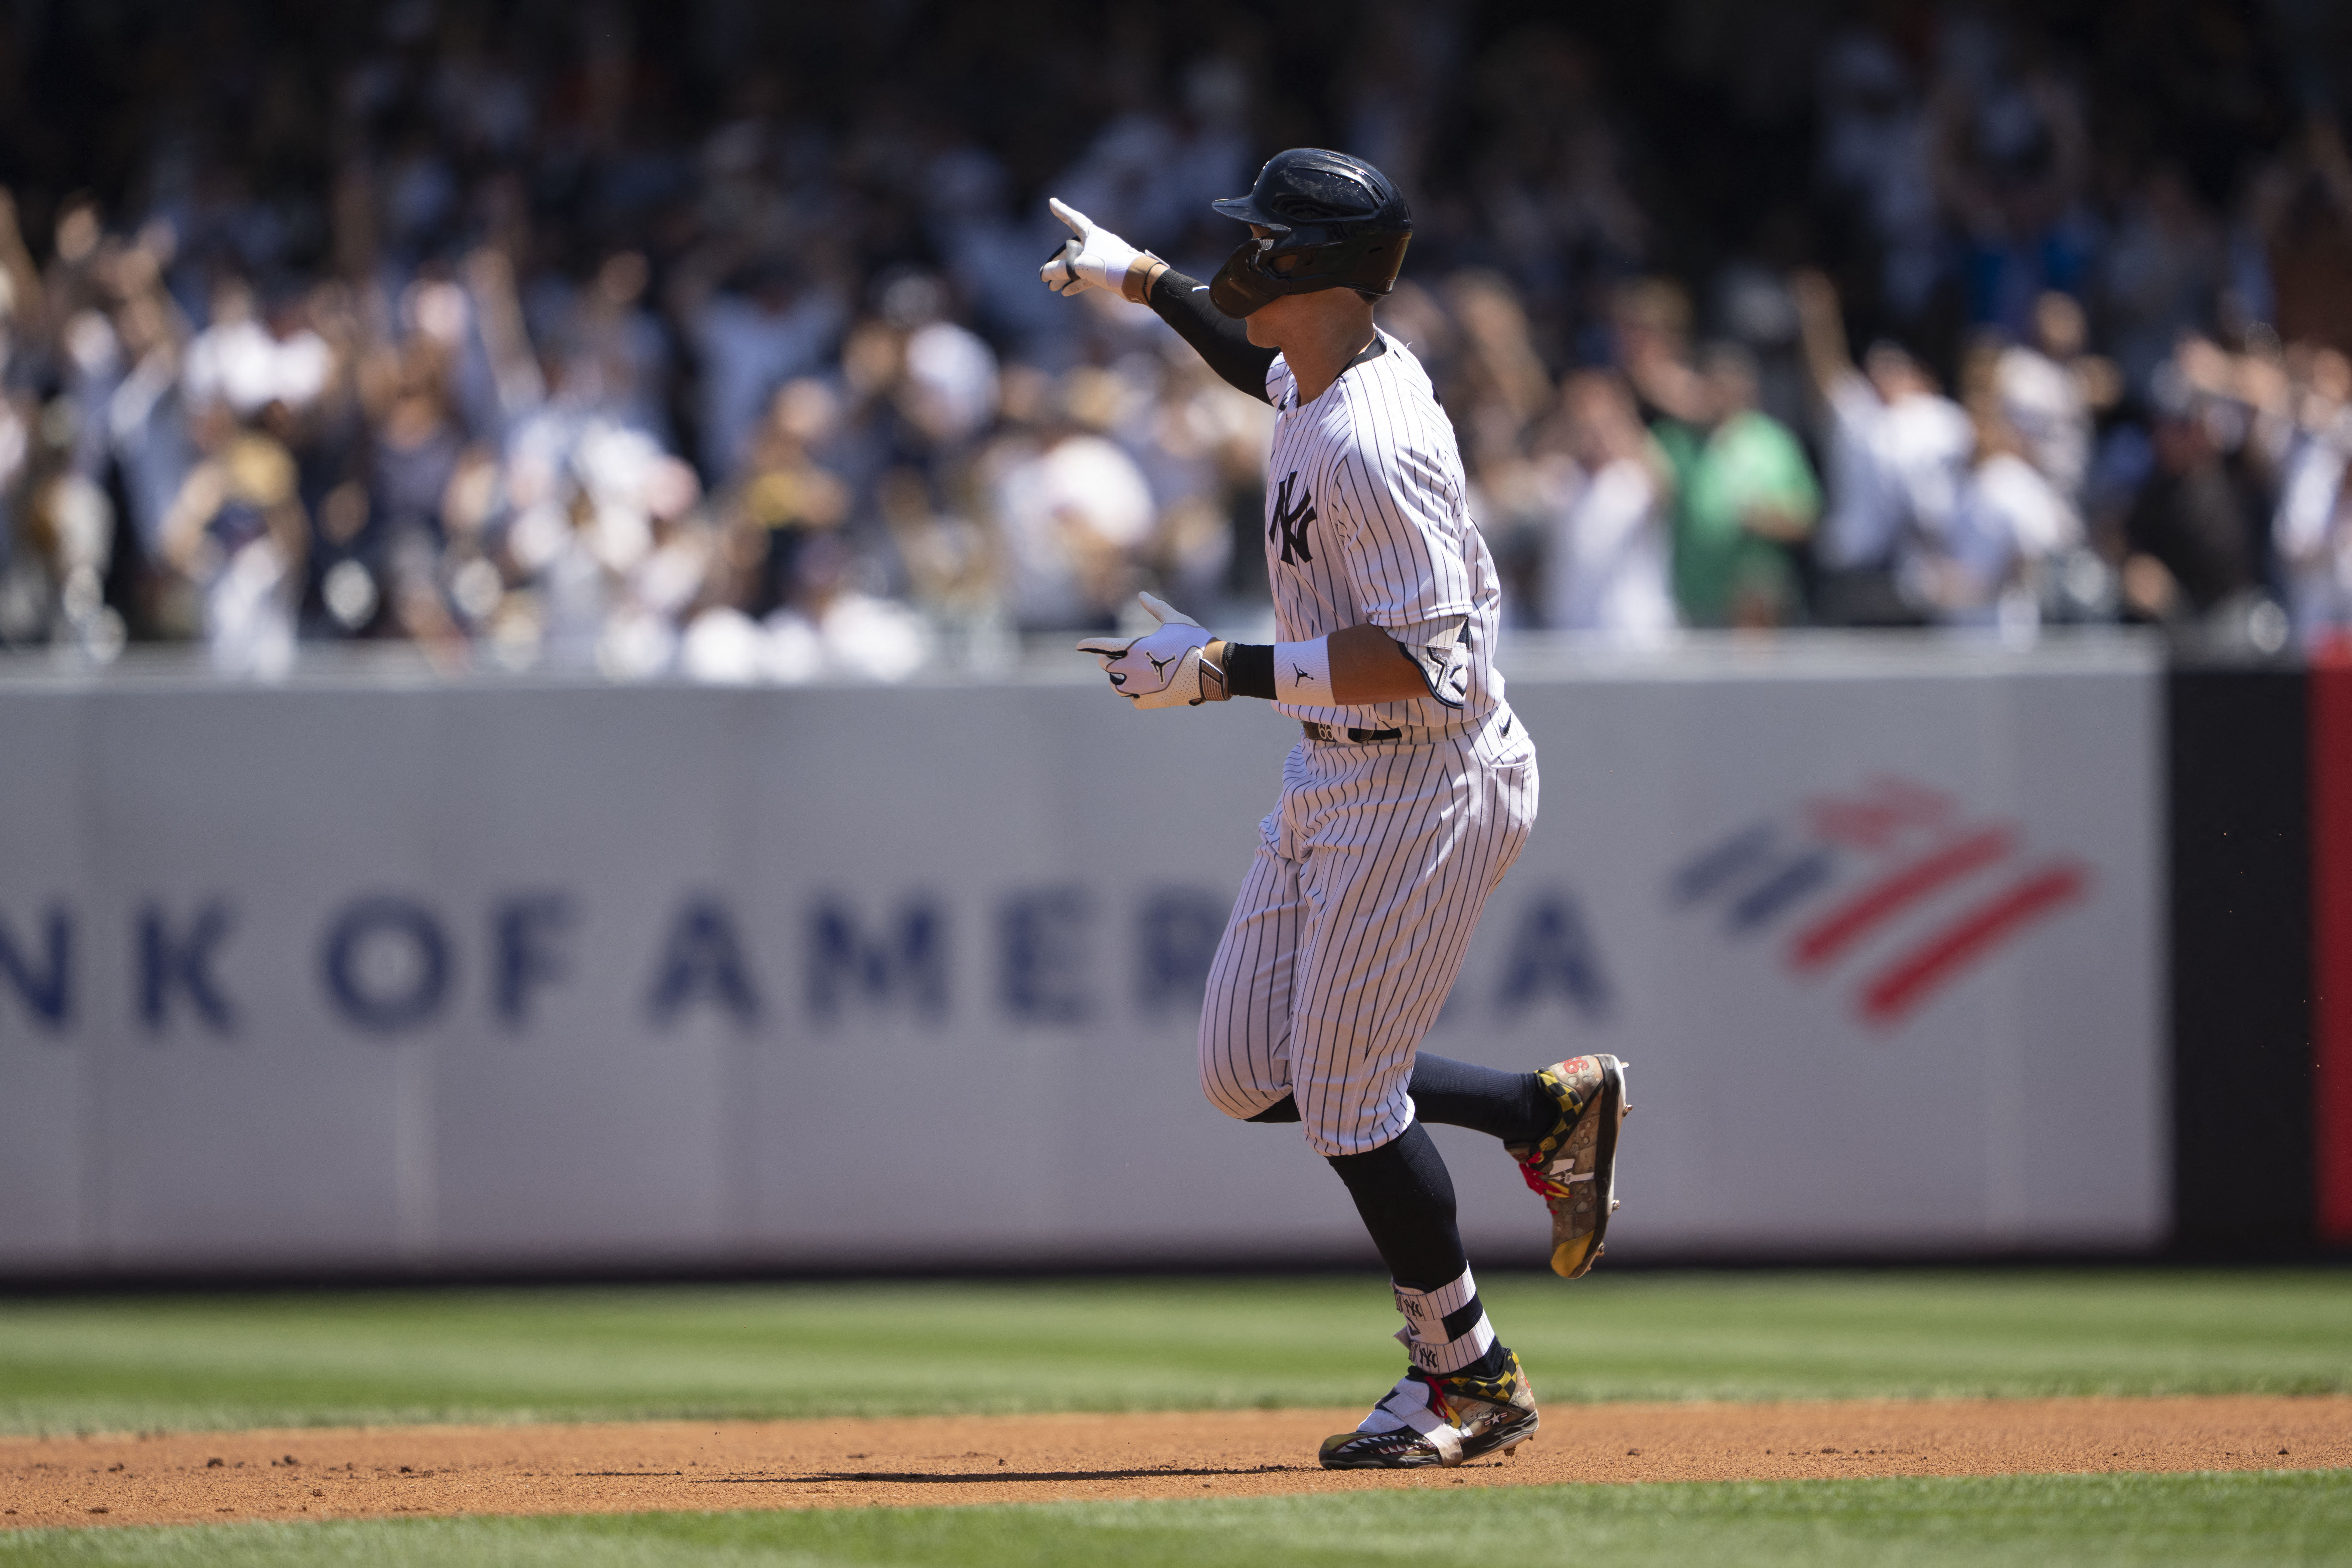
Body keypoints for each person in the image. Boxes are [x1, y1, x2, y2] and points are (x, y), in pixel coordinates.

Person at [1039, 148, 1631, 1471]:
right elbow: (1259, 366)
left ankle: (1467, 1379)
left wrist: (1221, 672)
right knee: (1252, 1070)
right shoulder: (1327, 364)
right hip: (1337, 769)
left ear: (1307, 266)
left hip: (1422, 777)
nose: (1240, 255)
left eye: (1260, 240)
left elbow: (1439, 670)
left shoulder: (1376, 432)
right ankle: (1542, 1111)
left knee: (1351, 1102)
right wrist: (1139, 279)